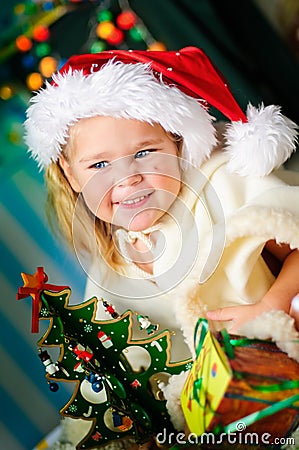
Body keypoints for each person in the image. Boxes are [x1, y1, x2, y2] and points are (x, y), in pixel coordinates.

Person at [24, 47, 299, 449]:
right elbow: (115, 366)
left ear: (175, 142)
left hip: (276, 382)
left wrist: (271, 305)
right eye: (99, 165)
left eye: (143, 153)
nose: (128, 178)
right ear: (70, 174)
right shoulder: (110, 264)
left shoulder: (222, 185)